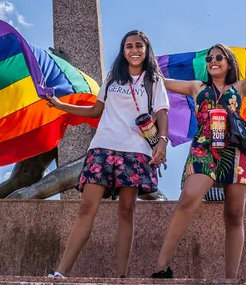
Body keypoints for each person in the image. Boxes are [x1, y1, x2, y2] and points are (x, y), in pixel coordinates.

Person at [152, 43, 246, 279]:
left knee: (235, 214)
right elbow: (161, 81)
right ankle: (160, 268)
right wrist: (146, 59)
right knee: (188, 198)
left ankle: (231, 278)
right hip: (204, 147)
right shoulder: (197, 87)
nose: (213, 61)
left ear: (229, 62)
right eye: (209, 58)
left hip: (236, 149)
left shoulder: (240, 87)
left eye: (219, 57)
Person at [45, 30, 169, 278]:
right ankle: (60, 272)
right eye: (128, 46)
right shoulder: (113, 77)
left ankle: (121, 276)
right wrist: (61, 105)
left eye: (138, 46)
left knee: (126, 209)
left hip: (135, 149)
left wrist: (162, 142)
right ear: (123, 51)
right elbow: (95, 111)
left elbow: (162, 112)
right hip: (103, 146)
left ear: (146, 50)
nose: (133, 50)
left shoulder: (154, 80)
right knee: (86, 207)